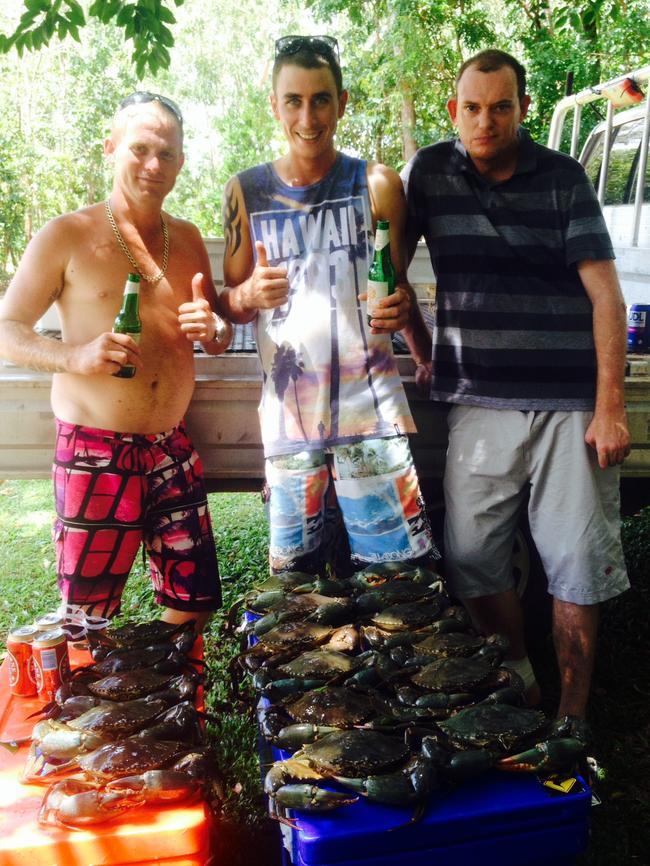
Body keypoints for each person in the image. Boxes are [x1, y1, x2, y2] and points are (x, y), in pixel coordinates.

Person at [402, 49, 630, 734]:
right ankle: (520, 676)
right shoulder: (430, 174)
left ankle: (571, 717)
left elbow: (606, 294)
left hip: (569, 403)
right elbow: (386, 268)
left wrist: (611, 404)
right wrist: (422, 351)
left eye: (501, 106)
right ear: (453, 112)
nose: (487, 120)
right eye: (473, 107)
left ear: (523, 109)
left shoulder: (563, 177)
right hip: (478, 400)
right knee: (470, 555)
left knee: (577, 563)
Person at [0, 91, 233, 632]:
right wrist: (75, 355)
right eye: (141, 149)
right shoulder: (67, 235)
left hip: (171, 445)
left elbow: (219, 332)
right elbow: (7, 329)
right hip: (94, 450)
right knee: (89, 611)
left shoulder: (190, 238)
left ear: (181, 161)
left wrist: (215, 328)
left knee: (192, 597)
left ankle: (175, 705)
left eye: (168, 153)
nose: (155, 165)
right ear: (111, 148)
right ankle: (96, 714)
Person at [219, 35, 437, 575]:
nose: (308, 116)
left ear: (342, 102)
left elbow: (397, 288)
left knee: (399, 581)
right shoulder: (245, 192)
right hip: (290, 424)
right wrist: (249, 294)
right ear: (274, 105)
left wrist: (420, 346)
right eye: (293, 100)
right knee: (295, 587)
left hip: (373, 416)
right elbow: (232, 305)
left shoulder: (377, 184)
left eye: (321, 99)